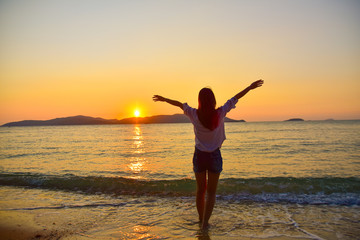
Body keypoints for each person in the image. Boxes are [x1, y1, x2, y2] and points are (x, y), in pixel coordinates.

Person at [153, 79, 264, 229]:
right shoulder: (220, 113)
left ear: (199, 101)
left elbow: (179, 104)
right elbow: (236, 97)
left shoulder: (194, 114)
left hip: (199, 155)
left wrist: (164, 99)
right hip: (214, 156)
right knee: (211, 193)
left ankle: (200, 220)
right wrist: (249, 88)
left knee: (200, 191)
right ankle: (205, 223)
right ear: (213, 100)